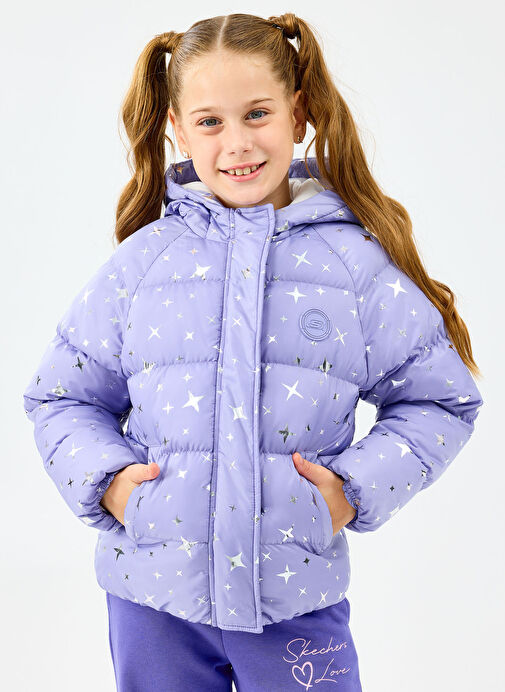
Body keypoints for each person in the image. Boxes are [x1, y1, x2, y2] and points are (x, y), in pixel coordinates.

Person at [22, 12, 484, 692]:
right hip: (151, 601)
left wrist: (349, 492)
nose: (236, 142)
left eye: (257, 114)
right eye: (210, 121)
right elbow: (61, 397)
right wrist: (111, 484)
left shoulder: (352, 266)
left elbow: (441, 399)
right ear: (178, 129)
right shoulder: (144, 263)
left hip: (294, 601)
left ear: (299, 113)